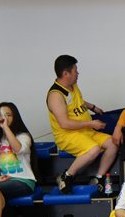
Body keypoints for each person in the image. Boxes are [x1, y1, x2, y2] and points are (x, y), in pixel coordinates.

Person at [47, 55, 119, 194]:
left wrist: (92, 107)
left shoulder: (72, 86)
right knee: (94, 149)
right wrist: (91, 123)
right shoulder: (55, 95)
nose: (78, 73)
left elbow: (78, 101)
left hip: (86, 131)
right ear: (66, 73)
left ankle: (98, 178)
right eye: (75, 70)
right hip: (68, 135)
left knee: (113, 143)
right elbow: (65, 124)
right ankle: (66, 176)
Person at [0, 102, 39, 200]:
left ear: (15, 117)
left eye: (9, 115)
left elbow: (18, 149)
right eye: (2, 115)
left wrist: (5, 127)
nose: (5, 118)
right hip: (3, 181)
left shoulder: (23, 136)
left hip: (23, 181)